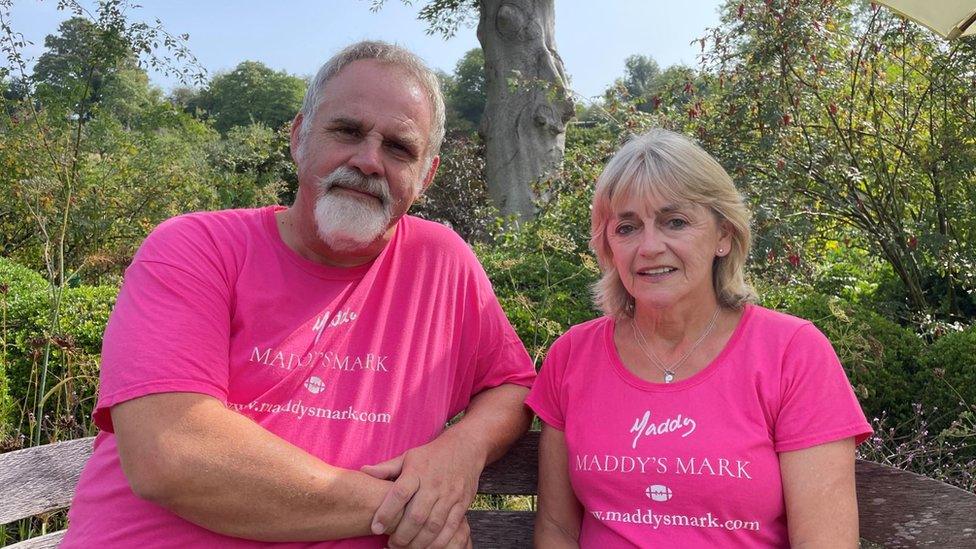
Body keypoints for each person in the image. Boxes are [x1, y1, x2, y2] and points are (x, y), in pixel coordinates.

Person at [61, 41, 535, 549]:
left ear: (425, 176)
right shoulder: (196, 248)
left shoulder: (442, 263)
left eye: (399, 148)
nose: (370, 160)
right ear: (298, 138)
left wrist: (462, 447)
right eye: (347, 131)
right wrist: (410, 511)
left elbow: (512, 385)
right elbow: (170, 457)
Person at [526, 128, 872, 547]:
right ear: (609, 245)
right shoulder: (572, 357)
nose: (650, 246)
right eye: (627, 228)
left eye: (675, 222)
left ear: (723, 236)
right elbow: (557, 530)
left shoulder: (792, 353)